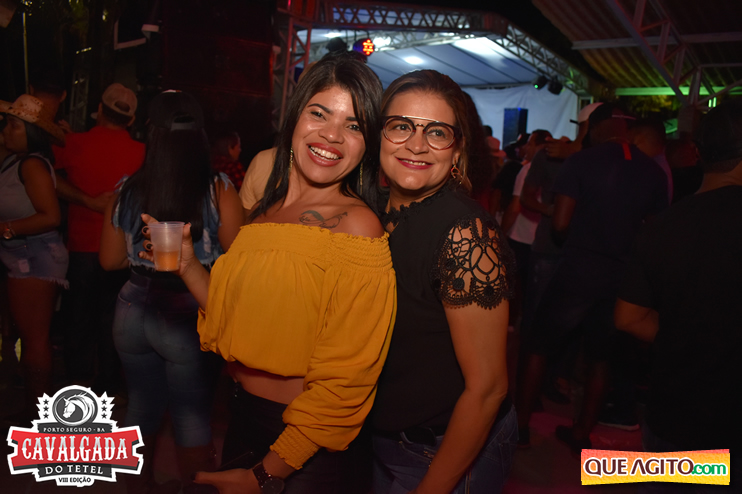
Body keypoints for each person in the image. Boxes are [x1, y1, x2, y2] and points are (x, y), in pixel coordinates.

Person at [140, 54, 396, 494]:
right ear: (294, 117)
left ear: (367, 143)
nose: (332, 135)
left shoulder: (358, 225)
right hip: (244, 418)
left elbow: (347, 381)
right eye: (319, 113)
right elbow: (236, 317)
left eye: (353, 125)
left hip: (302, 447)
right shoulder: (265, 211)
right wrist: (188, 265)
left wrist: (266, 473)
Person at [371, 70, 516, 494]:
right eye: (401, 126)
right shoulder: (369, 211)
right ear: (378, 136)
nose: (416, 145)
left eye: (436, 132)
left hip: (441, 449)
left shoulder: (464, 233)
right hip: (379, 439)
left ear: (457, 151)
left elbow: (487, 389)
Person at [99, 90, 244, 493]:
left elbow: (108, 261)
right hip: (190, 311)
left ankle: (137, 487)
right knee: (192, 414)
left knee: (141, 404)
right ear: (200, 135)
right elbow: (240, 260)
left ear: (152, 134)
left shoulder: (127, 189)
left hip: (132, 307)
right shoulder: (218, 190)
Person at [516, 103, 668, 454]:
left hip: (580, 268)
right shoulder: (654, 172)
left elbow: (560, 224)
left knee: (538, 345)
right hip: (622, 278)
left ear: (597, 128)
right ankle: (582, 432)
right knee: (601, 358)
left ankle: (519, 426)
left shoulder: (582, 162)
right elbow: (655, 233)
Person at [615, 100, 742, 493]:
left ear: (698, 153)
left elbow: (628, 318)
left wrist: (687, 335)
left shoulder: (663, 226)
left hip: (675, 414)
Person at [54, 82, 145, 394]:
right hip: (122, 253)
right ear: (131, 120)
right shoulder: (142, 153)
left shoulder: (73, 143)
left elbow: (46, 177)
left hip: (81, 248)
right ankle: (109, 382)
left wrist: (85, 200)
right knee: (114, 318)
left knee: (78, 318)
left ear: (99, 110)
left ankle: (77, 383)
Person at [0, 95, 67, 424]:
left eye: (14, 126)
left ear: (31, 133)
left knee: (35, 340)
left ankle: (37, 417)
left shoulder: (32, 165)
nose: (6, 131)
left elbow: (51, 216)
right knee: (29, 338)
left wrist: (6, 229)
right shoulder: (17, 160)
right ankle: (33, 410)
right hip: (24, 256)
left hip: (34, 256)